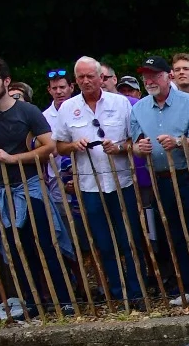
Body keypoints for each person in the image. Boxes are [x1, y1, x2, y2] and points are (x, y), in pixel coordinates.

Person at [0, 57, 76, 315]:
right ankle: (33, 303)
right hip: (2, 194)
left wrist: (13, 158)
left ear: (6, 81)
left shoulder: (27, 111)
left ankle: (64, 300)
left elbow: (49, 146)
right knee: (17, 251)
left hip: (31, 189)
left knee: (47, 245)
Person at [51, 56, 145, 306]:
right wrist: (74, 145)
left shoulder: (121, 103)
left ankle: (137, 291)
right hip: (89, 186)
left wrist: (119, 148)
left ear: (100, 77)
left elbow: (134, 141)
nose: (85, 81)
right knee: (103, 242)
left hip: (121, 181)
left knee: (129, 238)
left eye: (89, 76)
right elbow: (59, 146)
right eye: (80, 77)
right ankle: (117, 292)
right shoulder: (68, 108)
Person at [131, 54, 189, 304]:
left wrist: (179, 142)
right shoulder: (138, 108)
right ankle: (188, 287)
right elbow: (133, 144)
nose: (150, 80)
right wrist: (138, 148)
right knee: (173, 232)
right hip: (161, 178)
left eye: (155, 75)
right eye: (146, 77)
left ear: (169, 77)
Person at [41, 67, 73, 136]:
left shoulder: (83, 110)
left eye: (62, 87)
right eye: (54, 88)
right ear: (49, 90)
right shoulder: (44, 118)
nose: (58, 92)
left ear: (71, 87)